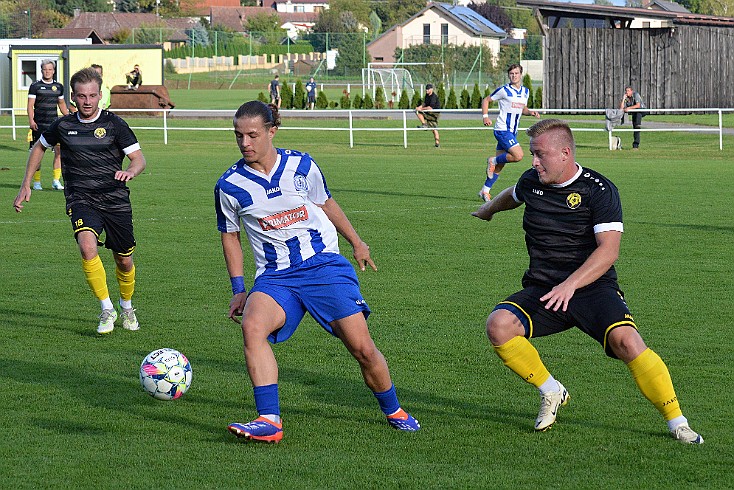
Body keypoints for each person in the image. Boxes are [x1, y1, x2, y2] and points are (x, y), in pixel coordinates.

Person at [471, 119, 703, 444]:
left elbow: (608, 252)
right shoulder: (531, 181)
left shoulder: (599, 190)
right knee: (499, 326)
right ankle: (552, 391)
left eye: (540, 155)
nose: (534, 161)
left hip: (593, 287)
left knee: (627, 342)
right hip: (545, 288)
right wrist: (490, 209)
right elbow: (514, 194)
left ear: (565, 153)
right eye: (533, 154)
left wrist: (571, 285)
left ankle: (677, 422)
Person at [215, 100, 420, 443]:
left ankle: (394, 409)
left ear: (271, 131)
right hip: (275, 277)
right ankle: (269, 420)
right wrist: (239, 288)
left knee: (362, 348)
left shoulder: (302, 165)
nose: (245, 143)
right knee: (252, 326)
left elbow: (327, 203)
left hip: (322, 266)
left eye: (252, 135)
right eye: (239, 136)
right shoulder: (230, 185)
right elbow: (230, 236)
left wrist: (358, 243)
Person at [14, 67, 147, 335]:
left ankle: (127, 306)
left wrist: (131, 171)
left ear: (100, 96)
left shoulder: (114, 124)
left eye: (92, 95)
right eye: (82, 96)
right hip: (81, 198)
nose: (87, 101)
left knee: (124, 260)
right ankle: (107, 308)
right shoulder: (63, 125)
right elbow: (40, 146)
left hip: (115, 198)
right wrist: (26, 183)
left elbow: (139, 159)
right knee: (87, 247)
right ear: (73, 97)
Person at [479, 63, 540, 202]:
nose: (514, 76)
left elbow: (522, 108)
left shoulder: (525, 91)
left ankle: (485, 190)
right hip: (502, 129)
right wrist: (485, 116)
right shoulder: (504, 90)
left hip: (512, 131)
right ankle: (491, 160)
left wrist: (530, 112)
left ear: (520, 74)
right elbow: (486, 100)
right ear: (509, 75)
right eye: (511, 74)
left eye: (516, 73)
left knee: (500, 165)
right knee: (518, 156)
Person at [27, 59, 70, 191]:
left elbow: (62, 105)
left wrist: (68, 117)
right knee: (38, 153)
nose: (48, 71)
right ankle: (37, 182)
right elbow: (30, 106)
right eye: (45, 69)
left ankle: (56, 181)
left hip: (54, 125)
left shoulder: (59, 87)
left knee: (58, 152)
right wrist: (31, 121)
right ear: (41, 70)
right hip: (39, 125)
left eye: (50, 69)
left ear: (54, 71)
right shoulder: (35, 86)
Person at [414, 83, 440, 148]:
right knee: (418, 111)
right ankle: (424, 124)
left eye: (428, 89)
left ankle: (437, 143)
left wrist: (421, 109)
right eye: (426, 89)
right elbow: (424, 103)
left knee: (434, 129)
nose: (426, 90)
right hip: (428, 113)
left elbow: (430, 108)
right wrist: (419, 107)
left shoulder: (434, 97)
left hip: (434, 114)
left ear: (431, 89)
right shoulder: (427, 96)